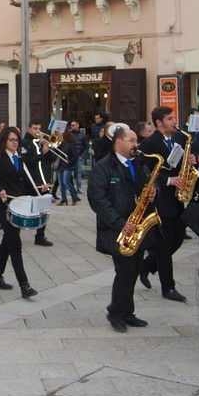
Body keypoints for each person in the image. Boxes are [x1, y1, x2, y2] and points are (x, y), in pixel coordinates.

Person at [87, 125, 153, 332]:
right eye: (131, 141)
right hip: (118, 228)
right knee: (125, 270)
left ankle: (127, 311)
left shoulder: (140, 164)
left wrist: (155, 192)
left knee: (133, 269)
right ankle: (116, 312)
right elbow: (97, 199)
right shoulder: (103, 166)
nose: (136, 144)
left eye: (136, 141)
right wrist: (120, 223)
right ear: (118, 142)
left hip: (138, 226)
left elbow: (152, 183)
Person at [0, 126, 42, 299]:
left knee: (8, 241)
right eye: (11, 140)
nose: (15, 143)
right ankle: (24, 285)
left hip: (19, 205)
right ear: (4, 141)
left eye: (17, 140)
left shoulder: (19, 157)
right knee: (15, 243)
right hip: (4, 207)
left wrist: (38, 188)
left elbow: (23, 182)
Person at [138, 107, 189, 302]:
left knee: (177, 238)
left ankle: (147, 266)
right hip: (161, 198)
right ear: (159, 122)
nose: (174, 121)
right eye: (170, 118)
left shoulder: (176, 139)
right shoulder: (150, 143)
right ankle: (168, 287)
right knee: (165, 243)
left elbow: (178, 163)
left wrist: (189, 160)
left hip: (176, 198)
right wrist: (169, 181)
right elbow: (145, 169)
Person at [21, 120, 54, 246]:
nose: (38, 131)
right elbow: (27, 161)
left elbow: (51, 160)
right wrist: (42, 153)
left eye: (39, 128)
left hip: (44, 181)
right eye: (35, 128)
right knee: (25, 209)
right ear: (29, 129)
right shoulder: (25, 143)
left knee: (44, 210)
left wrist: (49, 149)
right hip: (30, 182)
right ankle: (14, 233)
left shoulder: (41, 143)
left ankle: (40, 236)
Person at [69, 120, 88, 193]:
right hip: (71, 156)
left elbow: (86, 146)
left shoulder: (82, 135)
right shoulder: (70, 134)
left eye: (73, 125)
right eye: (71, 125)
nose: (72, 127)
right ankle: (71, 188)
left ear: (77, 125)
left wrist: (82, 156)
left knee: (78, 172)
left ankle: (79, 187)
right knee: (70, 173)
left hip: (79, 156)